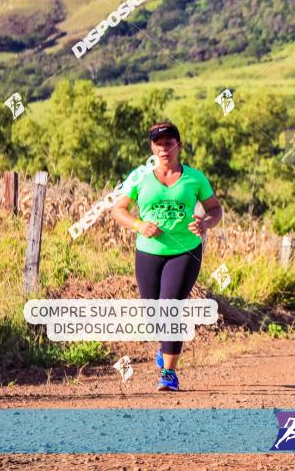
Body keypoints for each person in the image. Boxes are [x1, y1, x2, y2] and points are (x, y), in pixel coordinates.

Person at [112, 123, 223, 391]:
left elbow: (215, 209)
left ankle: (169, 373)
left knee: (170, 308)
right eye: (158, 143)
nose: (164, 148)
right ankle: (165, 348)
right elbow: (119, 210)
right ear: (152, 148)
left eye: (169, 142)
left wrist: (206, 224)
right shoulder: (139, 177)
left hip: (185, 251)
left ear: (179, 146)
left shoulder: (195, 179)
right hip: (148, 252)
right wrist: (139, 225)